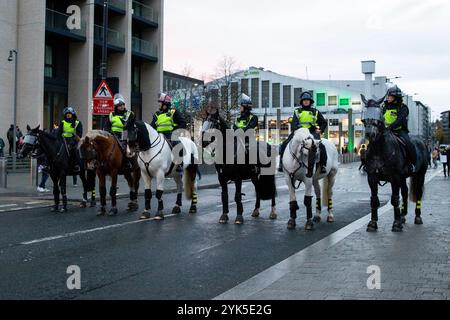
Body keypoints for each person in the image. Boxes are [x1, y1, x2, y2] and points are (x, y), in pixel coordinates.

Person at [278, 91, 327, 173]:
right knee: (284, 144)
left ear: (310, 101)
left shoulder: (316, 111)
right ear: (302, 102)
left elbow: (323, 122)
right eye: (304, 100)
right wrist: (298, 129)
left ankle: (322, 165)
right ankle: (281, 163)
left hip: (312, 132)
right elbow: (294, 124)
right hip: (299, 132)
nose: (306, 101)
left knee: (321, 146)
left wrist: (320, 130)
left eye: (308, 100)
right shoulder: (297, 111)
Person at [382, 85, 416, 173]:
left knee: (408, 144)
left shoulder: (403, 108)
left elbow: (399, 120)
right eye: (387, 96)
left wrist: (390, 127)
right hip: (385, 131)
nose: (388, 98)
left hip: (399, 131)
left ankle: (412, 164)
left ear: (395, 97)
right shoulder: (384, 106)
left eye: (389, 96)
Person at [104, 94, 136, 170]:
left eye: (123, 105)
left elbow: (132, 124)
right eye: (119, 105)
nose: (122, 107)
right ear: (116, 107)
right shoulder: (111, 114)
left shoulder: (129, 113)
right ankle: (104, 163)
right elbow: (107, 125)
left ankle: (129, 163)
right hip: (113, 134)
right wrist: (109, 132)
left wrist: (127, 128)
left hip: (125, 134)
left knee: (126, 149)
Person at [55, 107, 83, 172]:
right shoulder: (63, 122)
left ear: (73, 114)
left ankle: (76, 164)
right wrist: (58, 139)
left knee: (74, 150)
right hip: (63, 140)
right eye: (66, 114)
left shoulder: (77, 123)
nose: (68, 115)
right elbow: (59, 133)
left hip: (73, 140)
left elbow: (79, 134)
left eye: (69, 113)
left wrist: (74, 139)